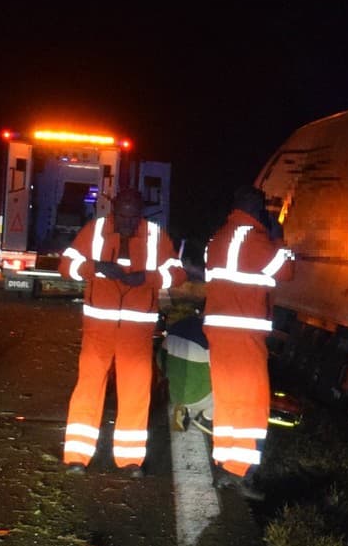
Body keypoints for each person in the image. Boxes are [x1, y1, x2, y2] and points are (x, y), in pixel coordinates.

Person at [61, 186, 185, 475]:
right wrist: (97, 267)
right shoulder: (95, 231)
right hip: (98, 329)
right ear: (114, 211)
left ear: (140, 213)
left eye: (132, 216)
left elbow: (177, 274)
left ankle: (130, 460)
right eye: (122, 215)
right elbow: (66, 265)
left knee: (136, 391)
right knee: (88, 388)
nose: (127, 221)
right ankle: (77, 457)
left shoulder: (156, 236)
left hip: (137, 332)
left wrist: (149, 277)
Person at [203, 184, 294, 499]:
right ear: (257, 209)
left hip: (219, 333)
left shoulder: (217, 239)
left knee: (227, 403)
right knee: (252, 407)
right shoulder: (257, 241)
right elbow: (286, 271)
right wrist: (279, 237)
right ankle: (241, 473)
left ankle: (223, 466)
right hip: (244, 335)